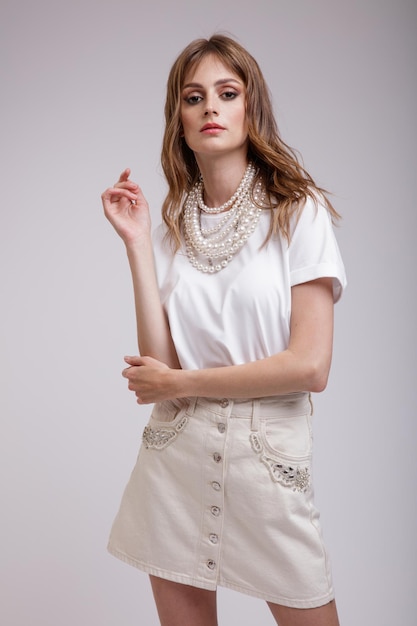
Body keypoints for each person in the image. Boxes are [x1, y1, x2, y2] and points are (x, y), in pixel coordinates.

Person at [101, 34, 346, 626]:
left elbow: (310, 366)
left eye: (227, 93)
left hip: (266, 457)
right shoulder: (170, 228)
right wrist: (137, 246)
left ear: (249, 108)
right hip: (175, 460)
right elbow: (160, 369)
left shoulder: (298, 211)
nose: (211, 107)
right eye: (194, 97)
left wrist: (183, 382)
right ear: (179, 121)